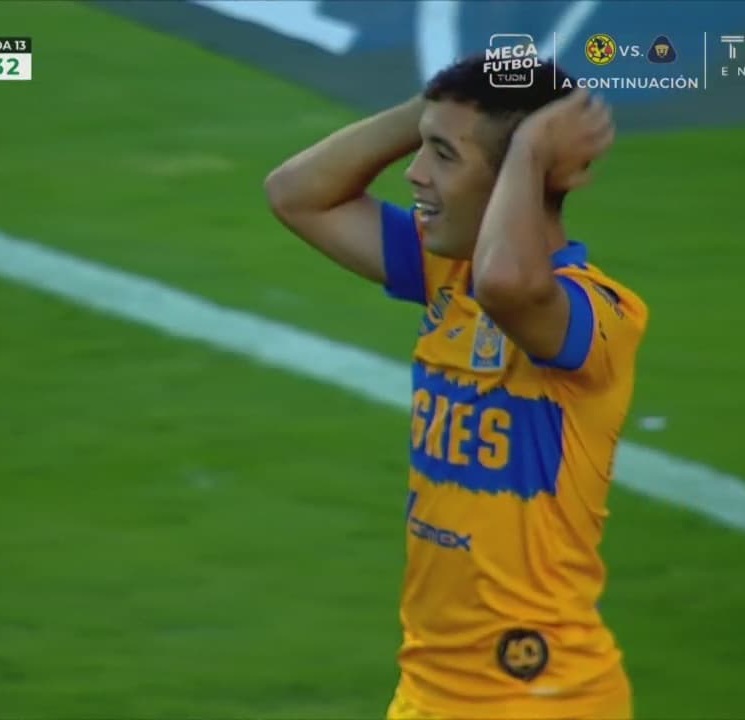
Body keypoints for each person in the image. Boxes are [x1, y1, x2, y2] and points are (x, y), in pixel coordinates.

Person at [264, 54, 648, 720]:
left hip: (538, 697)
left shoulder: (597, 313)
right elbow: (297, 193)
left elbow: (508, 286)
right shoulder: (449, 275)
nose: (414, 172)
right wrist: (439, 104)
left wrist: (529, 150)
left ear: (521, 176)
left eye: (443, 155)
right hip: (429, 690)